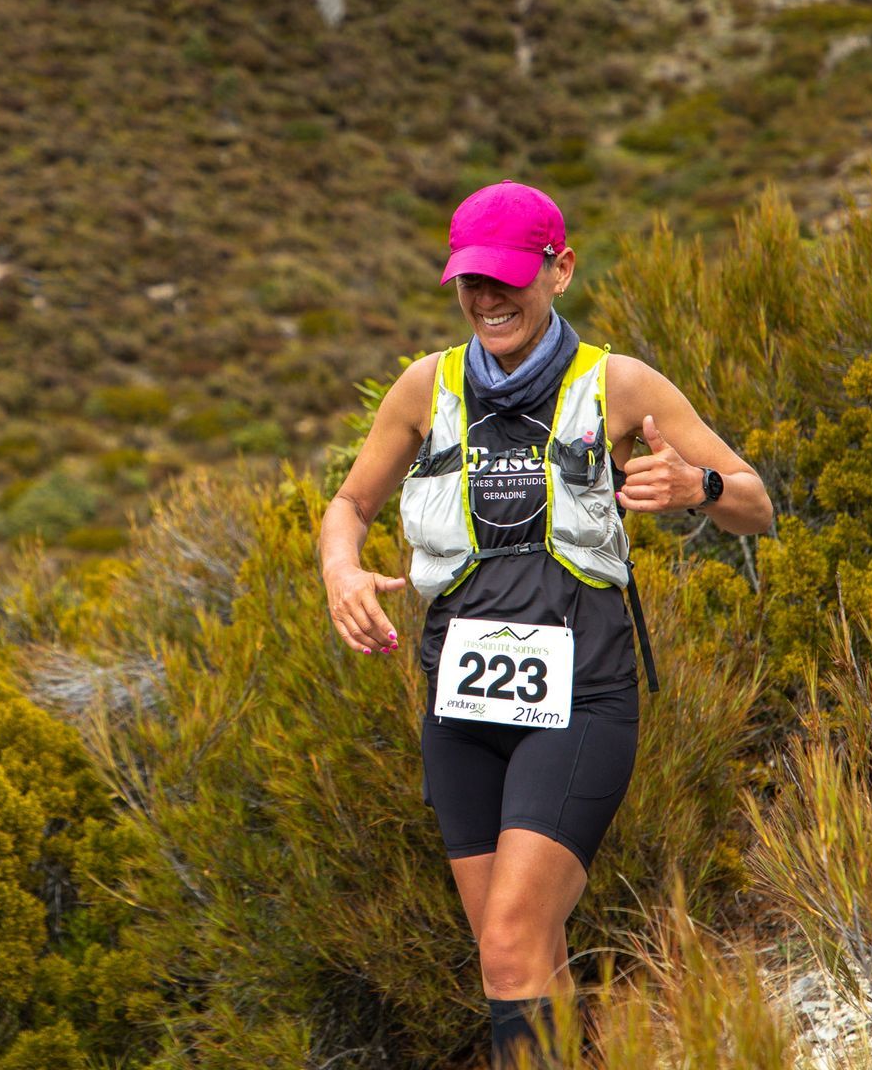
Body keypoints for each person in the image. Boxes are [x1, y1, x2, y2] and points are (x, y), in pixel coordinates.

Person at [316, 180, 774, 1066]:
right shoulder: (426, 388)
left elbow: (756, 503)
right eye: (469, 283)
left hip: (582, 700)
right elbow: (349, 503)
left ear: (559, 270)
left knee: (511, 942)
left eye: (507, 279)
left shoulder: (620, 384)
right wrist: (341, 570)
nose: (488, 299)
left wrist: (697, 489)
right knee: (526, 953)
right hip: (460, 707)